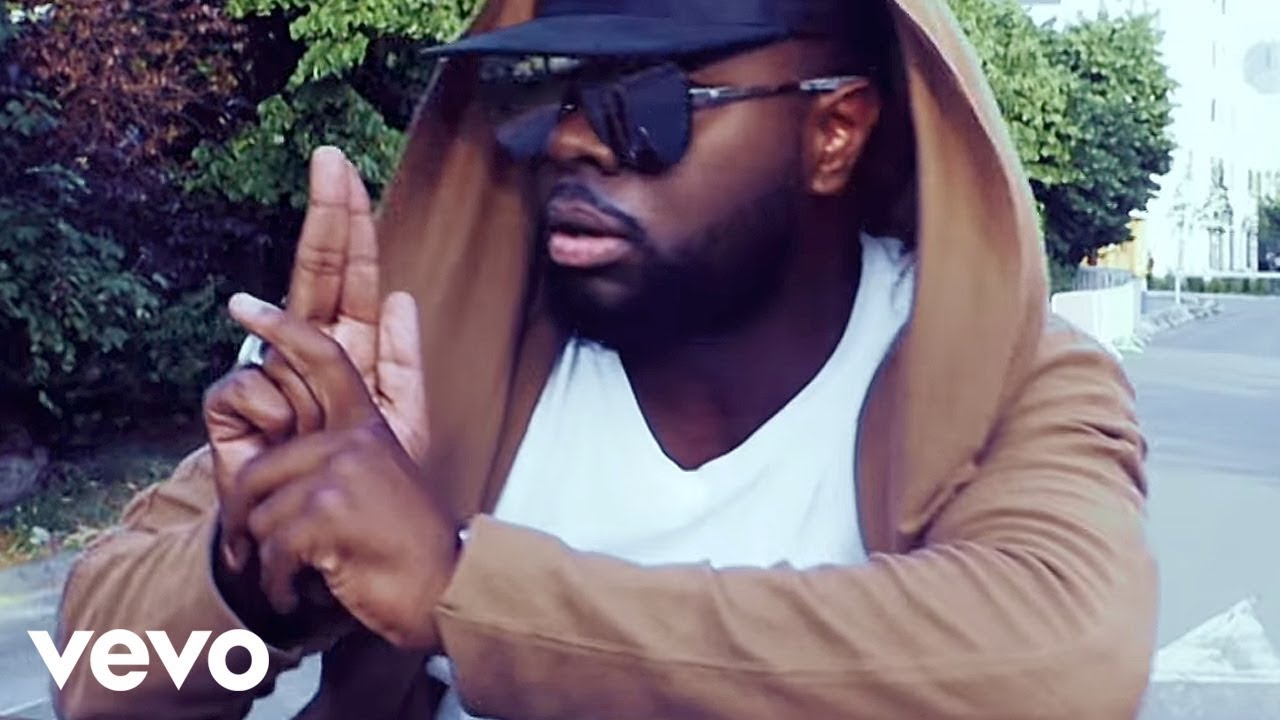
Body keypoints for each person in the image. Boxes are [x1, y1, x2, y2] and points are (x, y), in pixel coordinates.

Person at [52, 0, 1159, 718]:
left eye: (649, 102)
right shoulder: (425, 350)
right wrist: (254, 584)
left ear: (834, 131)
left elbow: (1059, 663)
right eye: (546, 93)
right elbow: (91, 672)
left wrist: (456, 591)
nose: (575, 139)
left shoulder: (997, 372)